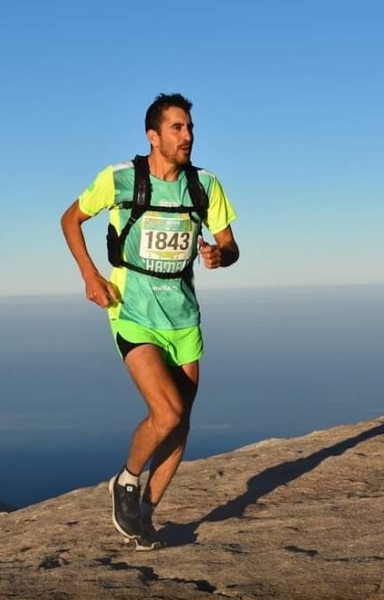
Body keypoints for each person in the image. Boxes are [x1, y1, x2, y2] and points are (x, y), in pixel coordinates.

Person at [60, 93, 239, 547]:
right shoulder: (121, 178)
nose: (188, 136)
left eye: (190, 128)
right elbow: (70, 219)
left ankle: (145, 515)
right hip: (133, 311)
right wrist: (90, 275)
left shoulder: (205, 187)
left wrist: (222, 255)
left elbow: (231, 244)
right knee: (167, 411)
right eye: (177, 128)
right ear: (153, 136)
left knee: (181, 423)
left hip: (183, 317)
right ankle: (125, 480)